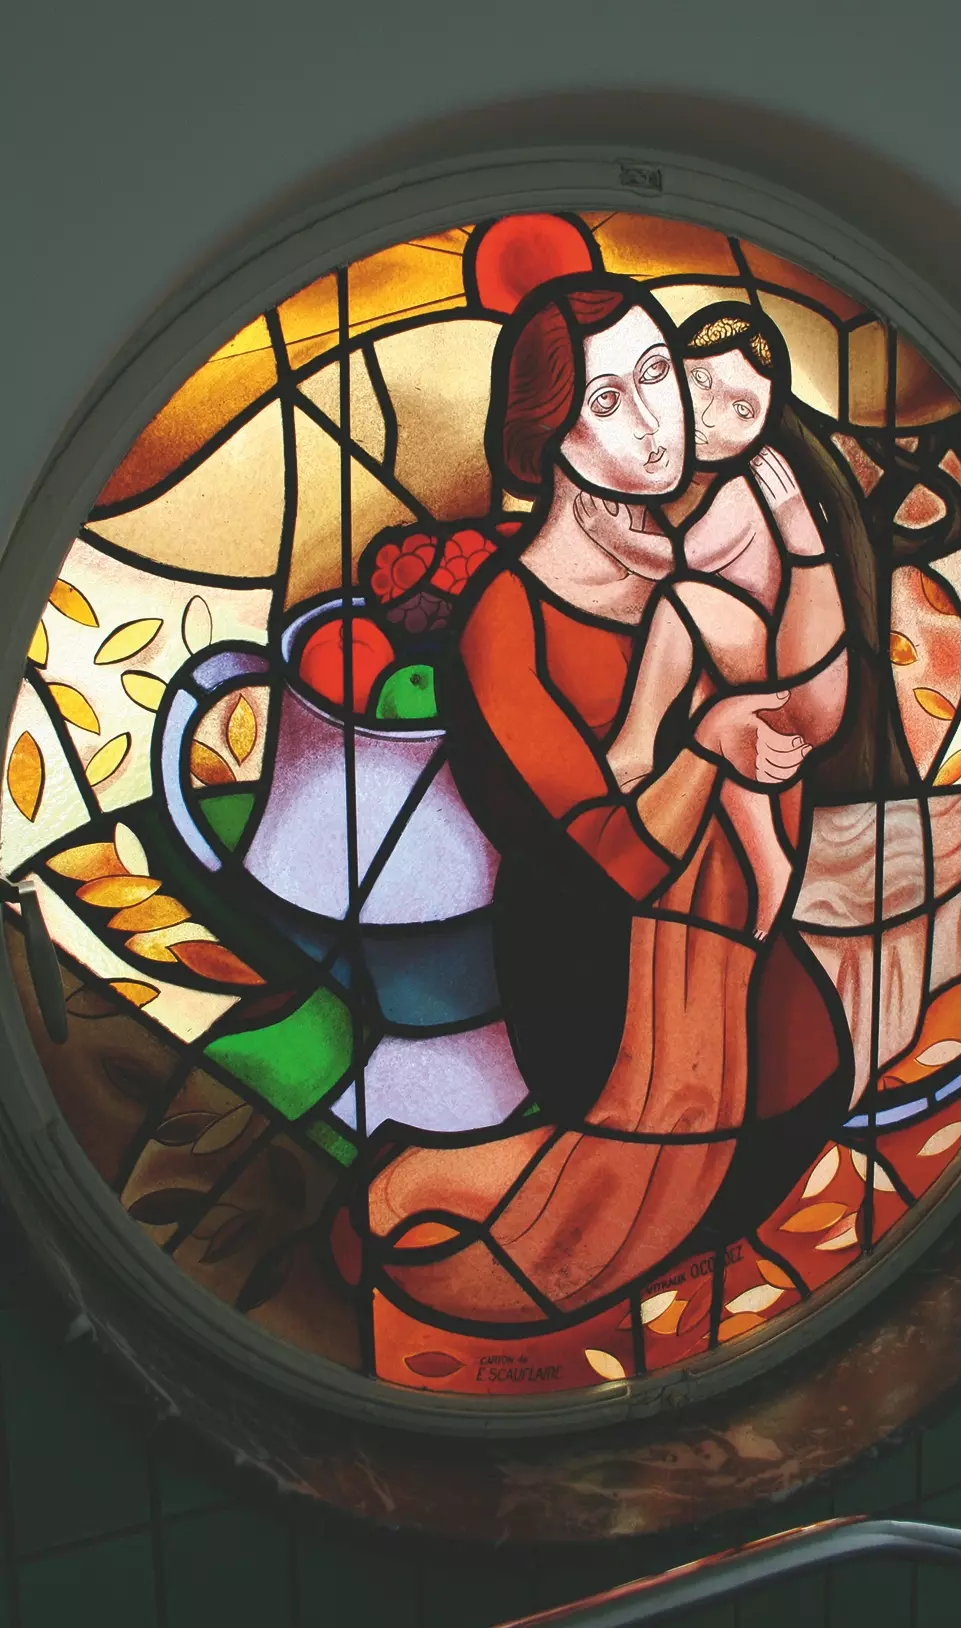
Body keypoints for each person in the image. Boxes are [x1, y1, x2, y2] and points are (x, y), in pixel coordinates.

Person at [362, 277, 851, 1334]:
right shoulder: (507, 619)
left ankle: (474, 1176)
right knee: (697, 1154)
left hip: (746, 962)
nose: (652, 423)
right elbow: (619, 862)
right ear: (545, 438)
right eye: (603, 401)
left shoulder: (703, 551)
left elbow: (808, 716)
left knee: (805, 1084)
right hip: (596, 988)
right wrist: (709, 744)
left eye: (656, 374)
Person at [576, 303, 848, 939]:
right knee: (709, 715)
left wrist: (611, 537)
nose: (711, 414)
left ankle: (634, 746)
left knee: (684, 602)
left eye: (743, 409)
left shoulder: (736, 493)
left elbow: (674, 565)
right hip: (751, 665)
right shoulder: (685, 483)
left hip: (794, 675)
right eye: (699, 381)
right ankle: (772, 870)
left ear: (763, 431)